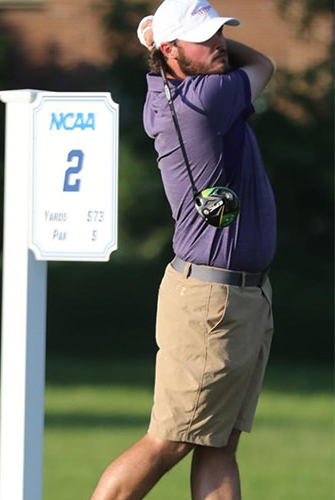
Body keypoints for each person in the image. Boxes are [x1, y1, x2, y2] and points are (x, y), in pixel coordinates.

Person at [91, 1, 276, 498]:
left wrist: (161, 41)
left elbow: (220, 61)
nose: (217, 44)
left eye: (220, 33)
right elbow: (264, 65)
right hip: (211, 305)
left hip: (237, 298)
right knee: (167, 442)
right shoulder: (208, 96)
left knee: (218, 446)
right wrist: (155, 37)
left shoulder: (174, 86)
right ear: (171, 50)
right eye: (205, 37)